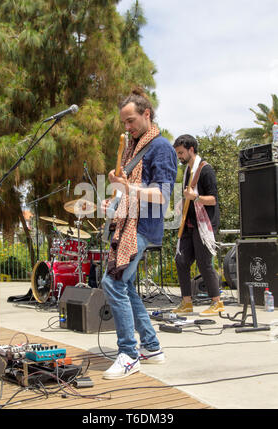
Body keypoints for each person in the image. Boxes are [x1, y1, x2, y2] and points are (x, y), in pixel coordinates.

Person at [101, 88, 177, 380]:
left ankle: (130, 355)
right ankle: (152, 347)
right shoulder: (134, 149)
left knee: (113, 282)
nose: (127, 127)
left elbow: (161, 196)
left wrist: (127, 189)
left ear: (147, 114)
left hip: (143, 227)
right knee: (127, 286)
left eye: (131, 120)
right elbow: (132, 191)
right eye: (124, 122)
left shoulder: (161, 148)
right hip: (129, 222)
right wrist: (116, 199)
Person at [173, 134, 224, 317]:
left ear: (191, 150)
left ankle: (217, 302)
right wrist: (182, 203)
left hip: (205, 224)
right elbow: (188, 195)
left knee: (204, 264)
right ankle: (187, 302)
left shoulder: (205, 170)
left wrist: (195, 198)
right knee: (181, 260)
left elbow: (213, 200)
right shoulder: (188, 171)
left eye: (181, 152)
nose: (179, 156)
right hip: (189, 223)